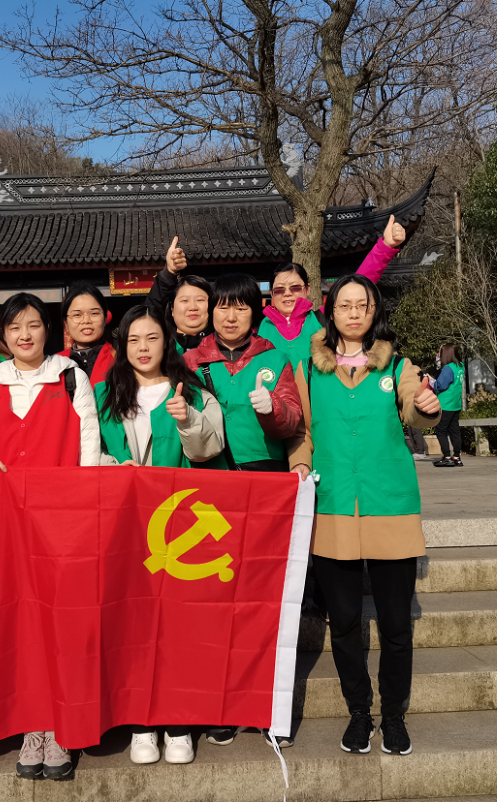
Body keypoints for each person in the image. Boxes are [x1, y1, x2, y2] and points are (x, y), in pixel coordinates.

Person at [288, 274, 440, 757]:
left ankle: (393, 715)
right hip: (333, 506)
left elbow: (415, 410)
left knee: (395, 624)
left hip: (389, 505)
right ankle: (359, 713)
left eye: (363, 305)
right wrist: (300, 465)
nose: (354, 313)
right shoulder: (309, 369)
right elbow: (301, 431)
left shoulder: (398, 364)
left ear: (375, 312)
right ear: (330, 313)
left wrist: (426, 406)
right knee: (345, 622)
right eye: (345, 305)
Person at [0, 292, 101, 782]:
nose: (24, 335)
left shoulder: (70, 377)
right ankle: (34, 727)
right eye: (14, 327)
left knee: (62, 623)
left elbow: (89, 448)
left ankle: (62, 727)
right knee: (23, 625)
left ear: (49, 330)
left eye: (33, 325)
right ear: (2, 335)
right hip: (12, 522)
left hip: (64, 520)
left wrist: (84, 512)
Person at [94, 304, 225, 764]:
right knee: (132, 622)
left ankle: (178, 719)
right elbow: (87, 452)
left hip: (180, 523)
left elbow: (211, 449)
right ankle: (141, 721)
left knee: (177, 624)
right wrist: (113, 466)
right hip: (125, 525)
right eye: (133, 340)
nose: (143, 348)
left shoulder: (194, 391)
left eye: (151, 338)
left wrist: (187, 418)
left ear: (167, 341)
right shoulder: (104, 395)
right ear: (122, 346)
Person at [182, 272, 305, 748]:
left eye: (241, 307)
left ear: (255, 313)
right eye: (222, 306)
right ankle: (224, 704)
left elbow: (292, 422)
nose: (230, 316)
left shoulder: (274, 357)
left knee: (263, 599)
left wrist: (272, 408)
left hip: (263, 484)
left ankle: (267, 706)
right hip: (211, 488)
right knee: (218, 600)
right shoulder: (191, 362)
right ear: (210, 312)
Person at [258, 215, 408, 370]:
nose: (287, 293)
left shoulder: (323, 319)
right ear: (272, 293)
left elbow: (359, 283)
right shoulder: (258, 327)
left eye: (295, 287)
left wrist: (386, 246)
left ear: (307, 289)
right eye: (279, 289)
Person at [147, 236, 213, 354]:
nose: (192, 307)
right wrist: (169, 272)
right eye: (184, 300)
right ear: (172, 309)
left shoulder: (225, 347)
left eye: (200, 300)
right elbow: (148, 313)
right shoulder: (162, 350)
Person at [59, 281, 116, 384]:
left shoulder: (120, 359)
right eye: (77, 315)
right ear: (66, 323)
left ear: (105, 318)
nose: (86, 321)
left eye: (94, 313)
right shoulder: (55, 364)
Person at [432, 343, 465, 467]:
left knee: (441, 430)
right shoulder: (461, 366)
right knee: (454, 430)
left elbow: (441, 385)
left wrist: (432, 382)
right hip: (456, 403)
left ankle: (446, 457)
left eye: (440, 352)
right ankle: (456, 457)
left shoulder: (448, 368)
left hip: (445, 403)